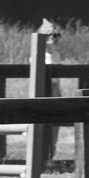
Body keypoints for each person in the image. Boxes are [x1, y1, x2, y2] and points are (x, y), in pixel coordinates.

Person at [38, 18, 62, 166]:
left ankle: (51, 157)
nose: (54, 40)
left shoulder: (56, 55)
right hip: (43, 91)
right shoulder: (38, 55)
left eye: (56, 36)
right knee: (43, 127)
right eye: (51, 36)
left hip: (55, 91)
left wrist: (59, 92)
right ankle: (42, 158)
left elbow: (58, 78)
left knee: (55, 127)